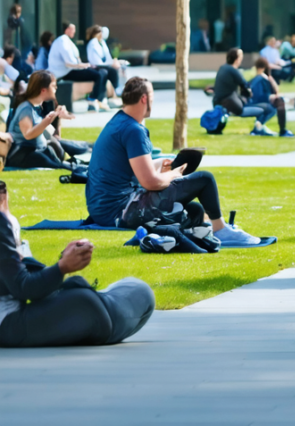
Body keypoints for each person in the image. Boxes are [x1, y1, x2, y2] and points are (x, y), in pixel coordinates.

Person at [85, 77, 262, 244]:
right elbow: (150, 182)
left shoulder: (119, 121)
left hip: (103, 210)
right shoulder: (133, 130)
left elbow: (129, 169)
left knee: (195, 210)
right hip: (120, 211)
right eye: (153, 97)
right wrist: (174, 174)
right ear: (145, 99)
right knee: (205, 179)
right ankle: (221, 230)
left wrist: (160, 162)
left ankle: (211, 228)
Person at [0, 180, 155, 348]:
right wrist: (62, 267)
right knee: (135, 292)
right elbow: (24, 288)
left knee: (124, 291)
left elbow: (20, 278)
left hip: (14, 322)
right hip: (11, 326)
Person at [212, 48, 287, 137]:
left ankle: (259, 128)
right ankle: (259, 128)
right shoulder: (234, 71)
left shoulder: (223, 68)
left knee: (267, 107)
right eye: (241, 57)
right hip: (237, 106)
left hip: (229, 103)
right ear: (237, 58)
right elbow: (247, 87)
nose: (241, 59)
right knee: (269, 108)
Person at [6, 71, 70, 170]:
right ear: (43, 90)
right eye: (53, 86)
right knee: (57, 166)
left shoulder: (35, 107)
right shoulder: (26, 109)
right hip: (22, 154)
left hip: (34, 150)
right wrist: (45, 122)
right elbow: (28, 134)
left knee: (61, 162)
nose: (56, 88)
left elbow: (50, 133)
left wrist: (57, 115)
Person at [48, 23, 108, 112]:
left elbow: (75, 60)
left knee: (103, 72)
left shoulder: (67, 40)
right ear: (67, 29)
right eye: (73, 29)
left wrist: (84, 65)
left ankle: (100, 99)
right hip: (65, 72)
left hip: (71, 70)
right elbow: (69, 62)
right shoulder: (62, 41)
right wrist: (84, 65)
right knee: (98, 75)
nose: (74, 31)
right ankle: (92, 100)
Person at [248, 59, 292, 138]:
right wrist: (270, 97)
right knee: (275, 105)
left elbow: (276, 91)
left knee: (279, 102)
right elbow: (258, 96)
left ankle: (259, 126)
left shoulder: (262, 79)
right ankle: (282, 130)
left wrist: (270, 79)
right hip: (257, 103)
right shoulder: (260, 79)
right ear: (264, 68)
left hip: (258, 102)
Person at [84, 25, 123, 98]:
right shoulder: (92, 43)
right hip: (95, 66)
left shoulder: (102, 43)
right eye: (100, 32)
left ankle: (114, 92)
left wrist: (113, 62)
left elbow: (107, 56)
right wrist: (110, 64)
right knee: (109, 71)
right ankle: (116, 90)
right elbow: (96, 61)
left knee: (111, 71)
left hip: (103, 65)